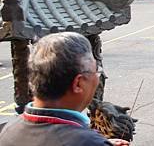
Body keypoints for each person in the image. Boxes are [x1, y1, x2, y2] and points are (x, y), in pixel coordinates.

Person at [0, 32, 129, 146]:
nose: (97, 76)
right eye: (96, 71)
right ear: (78, 83)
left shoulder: (7, 130)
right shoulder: (86, 142)